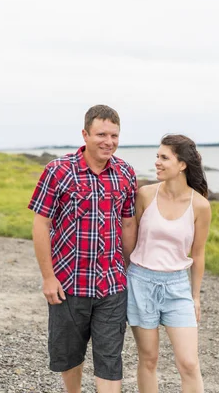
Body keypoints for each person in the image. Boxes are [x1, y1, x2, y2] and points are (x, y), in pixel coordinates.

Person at [28, 104, 138, 393]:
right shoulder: (58, 170)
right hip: (69, 284)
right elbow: (41, 225)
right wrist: (48, 277)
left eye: (114, 135)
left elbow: (128, 225)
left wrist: (126, 271)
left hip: (112, 285)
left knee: (110, 360)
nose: (109, 141)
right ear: (85, 134)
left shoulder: (125, 173)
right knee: (69, 356)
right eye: (101, 134)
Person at [127, 134, 212, 393]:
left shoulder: (200, 205)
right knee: (149, 359)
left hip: (177, 288)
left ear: (182, 164)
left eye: (164, 157)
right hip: (140, 282)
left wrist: (195, 296)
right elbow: (129, 240)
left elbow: (198, 254)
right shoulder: (144, 195)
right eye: (157, 156)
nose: (157, 162)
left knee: (188, 363)